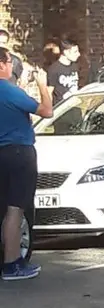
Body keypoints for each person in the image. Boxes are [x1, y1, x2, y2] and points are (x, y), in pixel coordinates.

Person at [0, 47, 53, 280]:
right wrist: (43, 84)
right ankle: (12, 264)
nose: (12, 65)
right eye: (10, 61)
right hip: (18, 152)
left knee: (3, 209)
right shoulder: (9, 91)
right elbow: (47, 110)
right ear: (2, 65)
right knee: (15, 209)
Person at [46, 38, 80, 105]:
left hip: (75, 107)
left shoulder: (75, 66)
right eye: (75, 52)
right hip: (62, 109)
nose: (78, 54)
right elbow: (49, 92)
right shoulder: (54, 69)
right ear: (65, 52)